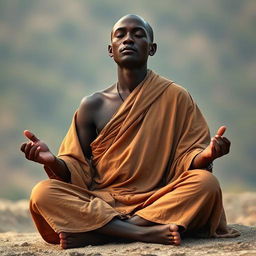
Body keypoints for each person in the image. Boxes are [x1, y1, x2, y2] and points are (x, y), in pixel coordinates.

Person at [20, 14, 240, 249]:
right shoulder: (93, 105)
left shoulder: (176, 97)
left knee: (205, 183)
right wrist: (51, 160)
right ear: (110, 49)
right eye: (120, 35)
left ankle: (103, 233)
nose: (128, 40)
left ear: (152, 48)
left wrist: (208, 155)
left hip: (158, 199)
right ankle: (143, 232)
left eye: (138, 35)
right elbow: (77, 169)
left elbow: (186, 159)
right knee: (42, 193)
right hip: (103, 201)